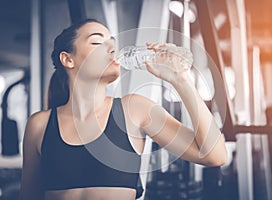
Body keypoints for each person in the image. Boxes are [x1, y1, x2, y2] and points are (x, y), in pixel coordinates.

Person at [19, 19, 227, 200]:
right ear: (68, 59)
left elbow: (214, 155)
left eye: (112, 43)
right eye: (97, 42)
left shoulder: (134, 110)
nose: (111, 49)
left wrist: (180, 79)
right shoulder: (40, 125)